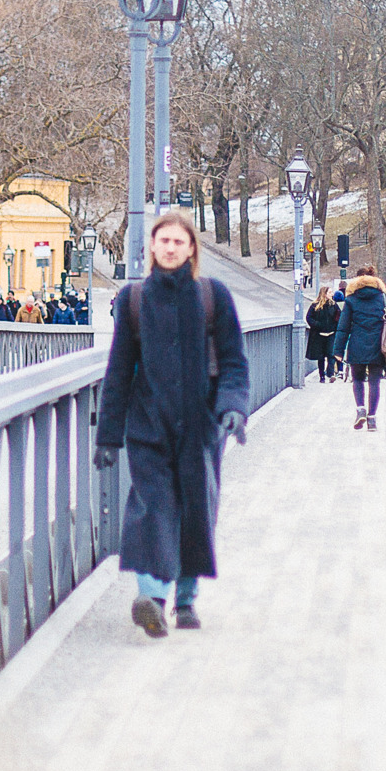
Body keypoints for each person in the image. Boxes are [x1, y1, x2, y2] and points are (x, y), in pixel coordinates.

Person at [93, 211, 249, 638]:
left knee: (195, 509)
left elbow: (234, 361)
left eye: (179, 242)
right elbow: (119, 370)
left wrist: (234, 406)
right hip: (148, 427)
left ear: (191, 249)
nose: (170, 248)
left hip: (201, 426)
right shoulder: (134, 299)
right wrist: (108, 436)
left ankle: (185, 598)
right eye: (163, 241)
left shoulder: (212, 296)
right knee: (154, 508)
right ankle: (152, 598)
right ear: (153, 248)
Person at [333, 265, 386, 432]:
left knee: (358, 379)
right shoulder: (383, 298)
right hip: (378, 346)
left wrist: (338, 351)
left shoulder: (351, 300)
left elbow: (343, 327)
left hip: (357, 345)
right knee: (375, 382)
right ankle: (372, 420)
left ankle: (360, 408)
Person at [305, 288, 343, 383]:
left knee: (331, 354)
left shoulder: (333, 305)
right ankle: (322, 376)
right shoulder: (315, 305)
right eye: (330, 292)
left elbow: (339, 316)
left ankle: (330, 374)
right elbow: (309, 317)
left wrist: (335, 327)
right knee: (320, 356)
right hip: (319, 335)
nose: (332, 294)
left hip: (331, 333)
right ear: (324, 294)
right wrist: (317, 325)